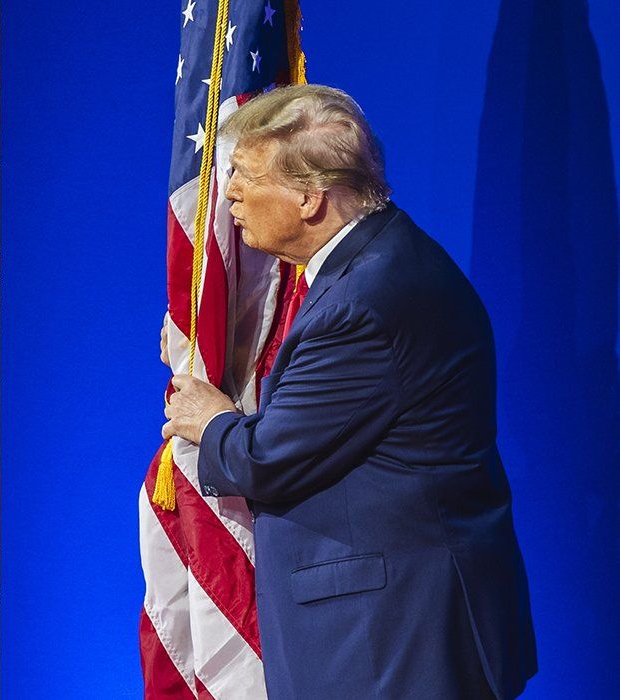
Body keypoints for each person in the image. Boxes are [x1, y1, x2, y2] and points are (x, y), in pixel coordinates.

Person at [161, 84, 536, 699]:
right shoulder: (380, 263)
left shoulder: (363, 304)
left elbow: (268, 459)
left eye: (245, 176)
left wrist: (211, 420)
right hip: (400, 623)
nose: (228, 193)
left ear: (310, 197)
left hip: (390, 637)